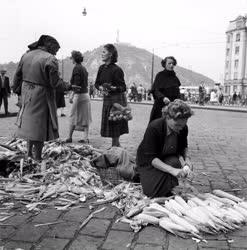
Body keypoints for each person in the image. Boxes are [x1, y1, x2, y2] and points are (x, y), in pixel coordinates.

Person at [12, 35, 81, 160]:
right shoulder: (50, 59)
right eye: (56, 49)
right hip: (41, 96)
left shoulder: (26, 55)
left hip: (26, 93)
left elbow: (17, 77)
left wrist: (19, 94)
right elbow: (55, 83)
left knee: (30, 126)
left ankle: (28, 153)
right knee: (39, 128)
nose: (56, 52)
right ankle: (37, 157)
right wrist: (70, 86)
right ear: (50, 45)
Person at [136, 99, 194, 197]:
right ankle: (139, 173)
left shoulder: (183, 128)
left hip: (168, 158)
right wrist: (172, 170)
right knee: (153, 192)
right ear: (167, 117)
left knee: (175, 163)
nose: (180, 128)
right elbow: (152, 159)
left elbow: (184, 147)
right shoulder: (155, 127)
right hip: (149, 162)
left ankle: (168, 181)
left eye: (183, 125)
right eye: (177, 125)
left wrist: (187, 161)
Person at [95, 44, 128, 147]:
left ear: (111, 54)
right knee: (112, 125)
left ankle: (115, 147)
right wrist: (100, 88)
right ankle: (117, 147)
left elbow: (123, 87)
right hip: (107, 99)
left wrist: (113, 88)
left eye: (104, 52)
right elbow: (97, 83)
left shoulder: (117, 70)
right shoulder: (101, 68)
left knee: (115, 124)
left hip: (117, 100)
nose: (102, 54)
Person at [65, 50, 92, 143]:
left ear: (74, 58)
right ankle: (86, 138)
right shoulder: (84, 68)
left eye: (71, 58)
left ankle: (69, 137)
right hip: (86, 95)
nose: (71, 59)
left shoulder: (76, 68)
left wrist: (71, 95)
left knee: (73, 115)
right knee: (85, 116)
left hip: (79, 95)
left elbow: (76, 85)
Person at [149, 56, 181, 123]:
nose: (171, 65)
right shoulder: (160, 75)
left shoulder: (175, 78)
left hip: (172, 107)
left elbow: (178, 92)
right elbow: (155, 90)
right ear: (165, 64)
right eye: (169, 63)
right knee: (158, 126)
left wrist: (178, 100)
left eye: (173, 63)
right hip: (160, 106)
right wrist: (163, 98)